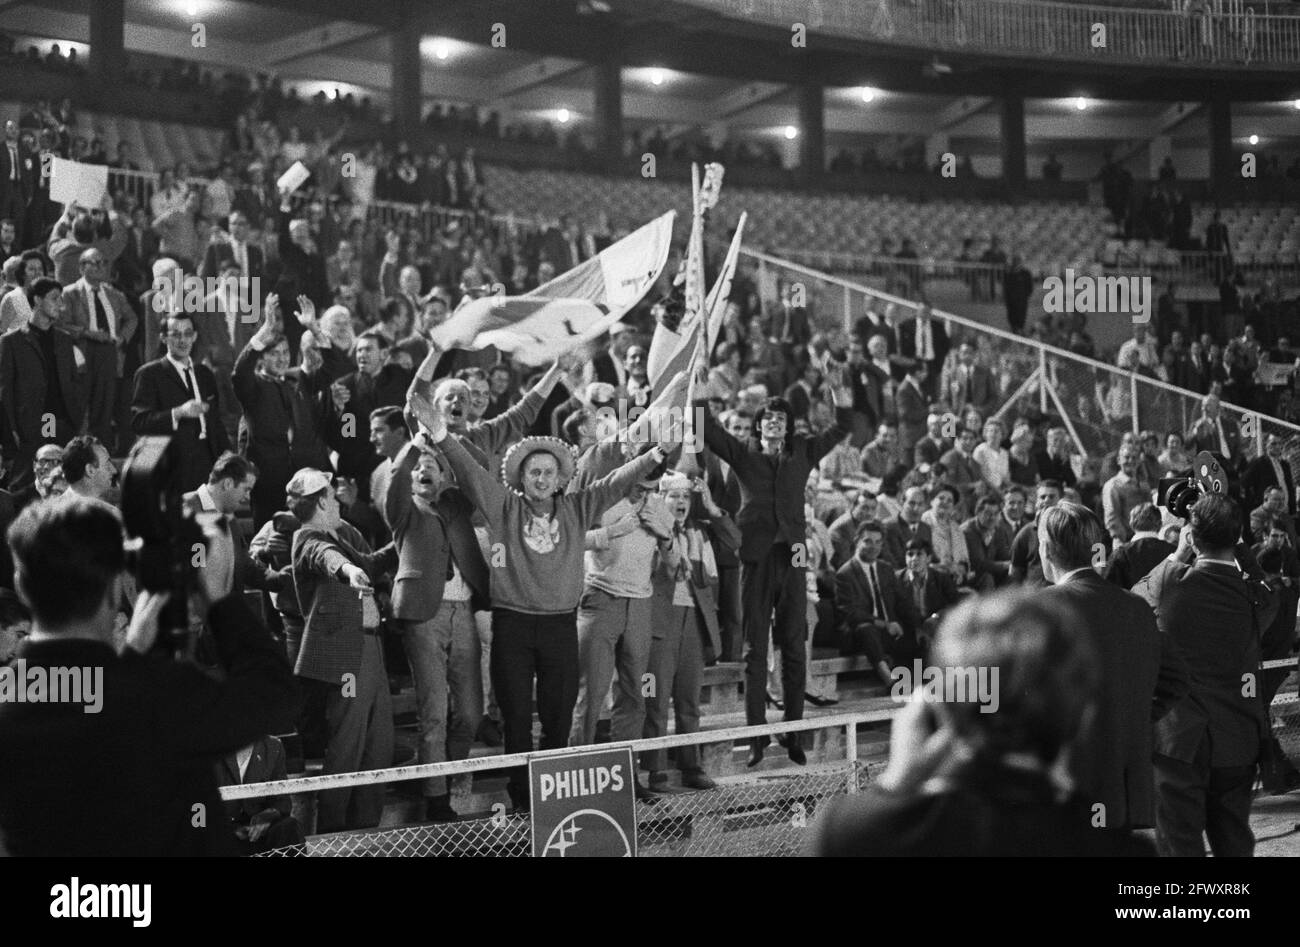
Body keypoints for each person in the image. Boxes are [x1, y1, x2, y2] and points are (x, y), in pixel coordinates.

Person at [412, 390, 671, 812]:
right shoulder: (503, 507)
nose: (542, 478)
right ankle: (522, 802)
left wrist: (658, 451)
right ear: (522, 476)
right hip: (512, 626)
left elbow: (618, 480)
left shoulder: (577, 507)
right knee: (515, 722)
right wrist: (439, 433)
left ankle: (552, 800)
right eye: (534, 472)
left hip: (560, 628)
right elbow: (468, 469)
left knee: (555, 720)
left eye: (549, 472)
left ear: (559, 477)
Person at [0, 497, 297, 856]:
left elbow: (79, 695)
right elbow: (271, 692)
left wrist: (134, 655)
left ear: (20, 585)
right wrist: (217, 599)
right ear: (115, 585)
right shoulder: (156, 693)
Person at [809, 591, 1152, 856]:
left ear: (942, 707)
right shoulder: (1121, 851)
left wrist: (895, 784)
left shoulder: (851, 835)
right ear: (1083, 717)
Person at [696, 366, 854, 769]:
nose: (774, 425)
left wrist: (839, 392)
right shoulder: (743, 453)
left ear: (787, 426)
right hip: (755, 557)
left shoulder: (803, 450)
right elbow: (708, 431)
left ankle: (794, 733)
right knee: (754, 651)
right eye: (768, 419)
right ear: (759, 425)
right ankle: (755, 738)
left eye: (780, 420)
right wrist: (698, 392)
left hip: (795, 557)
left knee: (795, 649)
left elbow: (841, 428)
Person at [1134, 494, 1278, 856]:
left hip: (1179, 740)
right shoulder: (1258, 597)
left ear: (1192, 538)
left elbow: (1136, 598)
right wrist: (1241, 546)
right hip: (1237, 738)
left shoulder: (1170, 584)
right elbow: (1261, 583)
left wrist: (1178, 553)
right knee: (1234, 844)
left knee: (1179, 847)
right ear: (1239, 537)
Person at [1038, 501, 1187, 835]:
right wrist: (1131, 717)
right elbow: (1177, 679)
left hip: (1067, 790)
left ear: (1046, 549)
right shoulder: (1135, 606)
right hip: (1126, 788)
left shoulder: (1042, 611)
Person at [289, 468, 397, 832]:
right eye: (332, 496)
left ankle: (366, 835)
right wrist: (348, 570)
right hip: (349, 657)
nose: (337, 499)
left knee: (380, 748)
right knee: (347, 747)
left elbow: (370, 562)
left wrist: (407, 537)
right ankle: (333, 838)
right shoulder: (306, 536)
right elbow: (327, 557)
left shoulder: (345, 532)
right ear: (320, 500)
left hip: (373, 646)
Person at [384, 444, 488, 822]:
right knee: (433, 712)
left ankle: (441, 772)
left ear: (445, 478)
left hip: (464, 610)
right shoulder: (403, 509)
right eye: (419, 468)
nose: (424, 471)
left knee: (472, 713)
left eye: (433, 467)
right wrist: (413, 447)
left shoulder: (456, 505)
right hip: (423, 615)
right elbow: (396, 480)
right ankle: (436, 796)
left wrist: (447, 444)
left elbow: (476, 475)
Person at [641, 472, 739, 792]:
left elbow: (735, 542)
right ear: (661, 498)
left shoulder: (699, 531)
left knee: (689, 701)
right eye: (674, 496)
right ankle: (654, 770)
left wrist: (711, 506)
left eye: (685, 496)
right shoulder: (650, 527)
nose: (681, 502)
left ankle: (690, 766)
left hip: (694, 623)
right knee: (655, 701)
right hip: (659, 623)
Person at [233, 294, 333, 528]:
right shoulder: (254, 387)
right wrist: (264, 331)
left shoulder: (296, 382)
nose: (281, 359)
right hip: (269, 482)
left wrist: (314, 328)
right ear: (262, 358)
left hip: (300, 483)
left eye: (285, 353)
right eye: (274, 354)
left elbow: (331, 370)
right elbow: (239, 373)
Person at [130, 310, 232, 493]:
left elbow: (216, 422)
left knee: (209, 520)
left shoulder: (205, 374)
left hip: (207, 464)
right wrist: (178, 412)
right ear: (163, 338)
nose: (182, 340)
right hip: (172, 467)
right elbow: (140, 422)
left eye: (187, 334)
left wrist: (228, 458)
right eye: (175, 334)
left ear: (195, 336)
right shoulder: (149, 374)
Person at [0, 278, 84, 492]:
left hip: (64, 423)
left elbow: (74, 383)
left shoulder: (64, 340)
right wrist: (11, 433)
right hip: (32, 426)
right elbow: (4, 392)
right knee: (26, 488)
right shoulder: (12, 342)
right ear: (37, 300)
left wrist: (79, 420)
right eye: (54, 299)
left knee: (66, 487)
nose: (61, 305)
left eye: (61, 299)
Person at [835, 519, 923, 687]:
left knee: (918, 633)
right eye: (867, 541)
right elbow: (851, 613)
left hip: (887, 630)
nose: (873, 546)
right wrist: (884, 624)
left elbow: (903, 602)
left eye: (878, 542)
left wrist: (919, 625)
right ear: (857, 542)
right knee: (866, 629)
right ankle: (889, 680)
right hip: (858, 633)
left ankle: (928, 683)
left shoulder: (885, 569)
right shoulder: (845, 573)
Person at [214, 735, 304, 855]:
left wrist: (266, 817)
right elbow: (195, 809)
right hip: (219, 835)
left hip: (257, 835)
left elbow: (282, 802)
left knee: (289, 826)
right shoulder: (206, 750)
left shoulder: (272, 746)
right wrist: (229, 830)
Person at [1104, 503, 1175, 589]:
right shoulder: (1173, 551)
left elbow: (1109, 588)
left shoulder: (1120, 554)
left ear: (1131, 524)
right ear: (1159, 524)